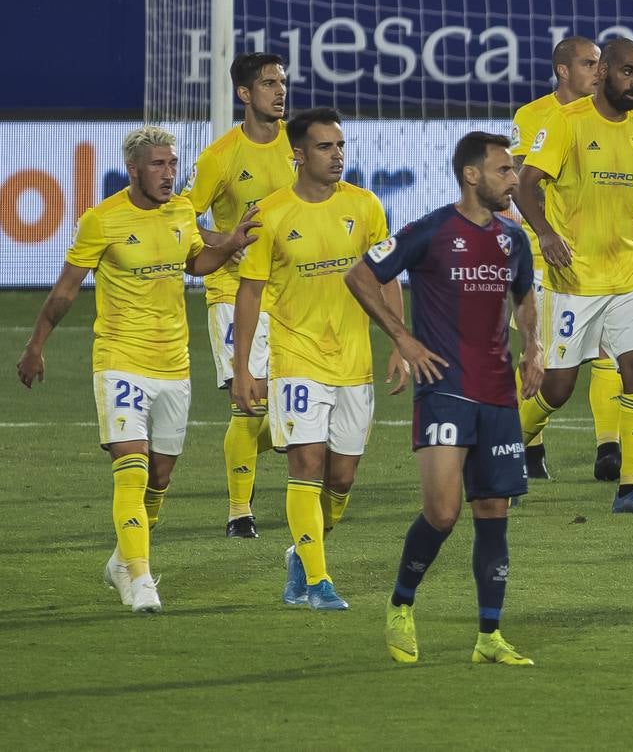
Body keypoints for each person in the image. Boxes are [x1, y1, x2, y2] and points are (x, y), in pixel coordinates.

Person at [16, 127, 257, 612]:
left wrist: (227, 244)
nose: (169, 174)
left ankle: (122, 560)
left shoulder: (182, 212)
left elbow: (195, 262)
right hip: (119, 359)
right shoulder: (101, 220)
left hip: (174, 364)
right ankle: (142, 578)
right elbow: (66, 290)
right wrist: (35, 344)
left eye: (172, 164)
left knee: (160, 477)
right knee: (131, 465)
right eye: (158, 165)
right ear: (134, 169)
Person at [345, 131, 542, 666]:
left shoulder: (512, 238)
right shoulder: (431, 231)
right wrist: (402, 338)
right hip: (445, 388)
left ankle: (489, 636)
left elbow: (525, 293)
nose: (514, 180)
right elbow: (361, 274)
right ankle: (401, 605)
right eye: (504, 170)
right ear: (471, 175)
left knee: (494, 509)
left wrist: (534, 347)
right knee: (442, 510)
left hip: (499, 391)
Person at [232, 107, 402, 610]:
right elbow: (249, 293)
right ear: (299, 155)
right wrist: (244, 367)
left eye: (341, 146)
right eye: (326, 147)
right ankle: (320, 580)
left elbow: (386, 274)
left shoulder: (366, 206)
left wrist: (398, 339)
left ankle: (302, 554)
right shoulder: (271, 213)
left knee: (342, 477)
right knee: (305, 465)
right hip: (296, 356)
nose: (337, 156)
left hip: (354, 360)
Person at [515, 37, 633, 514]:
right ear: (604, 71)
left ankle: (629, 487)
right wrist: (544, 233)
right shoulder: (565, 124)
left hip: (627, 275)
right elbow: (524, 185)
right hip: (575, 277)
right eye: (628, 72)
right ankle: (503, 449)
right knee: (557, 387)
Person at [184, 52, 295, 539]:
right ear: (245, 94)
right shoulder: (220, 157)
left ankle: (280, 441)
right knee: (247, 402)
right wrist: (223, 242)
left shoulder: (301, 145)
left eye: (283, 82)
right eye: (269, 84)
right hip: (232, 291)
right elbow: (180, 220)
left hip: (292, 293)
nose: (280, 91)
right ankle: (238, 511)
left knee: (290, 410)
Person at [509, 36, 626, 481]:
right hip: (542, 256)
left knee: (606, 349)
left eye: (600, 63)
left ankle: (608, 448)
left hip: (597, 257)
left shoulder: (610, 113)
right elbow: (521, 182)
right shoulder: (533, 115)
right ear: (563, 70)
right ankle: (530, 447)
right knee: (539, 354)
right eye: (588, 63)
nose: (598, 71)